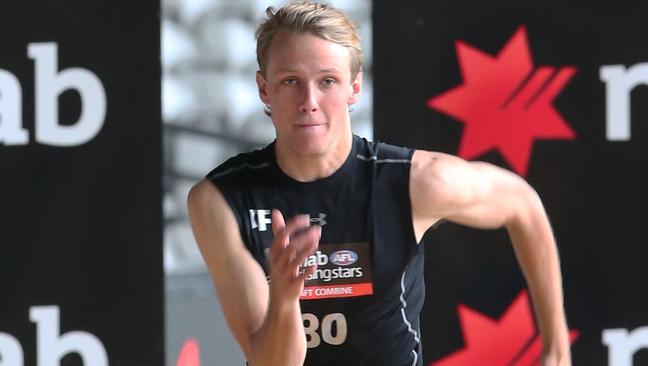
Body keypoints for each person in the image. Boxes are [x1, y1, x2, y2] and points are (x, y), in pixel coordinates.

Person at [187, 2, 572, 365]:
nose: (309, 101)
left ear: (355, 89)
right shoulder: (220, 200)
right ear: (264, 89)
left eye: (327, 81)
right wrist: (286, 299)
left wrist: (557, 350)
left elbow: (522, 203)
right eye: (290, 81)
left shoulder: (414, 181)